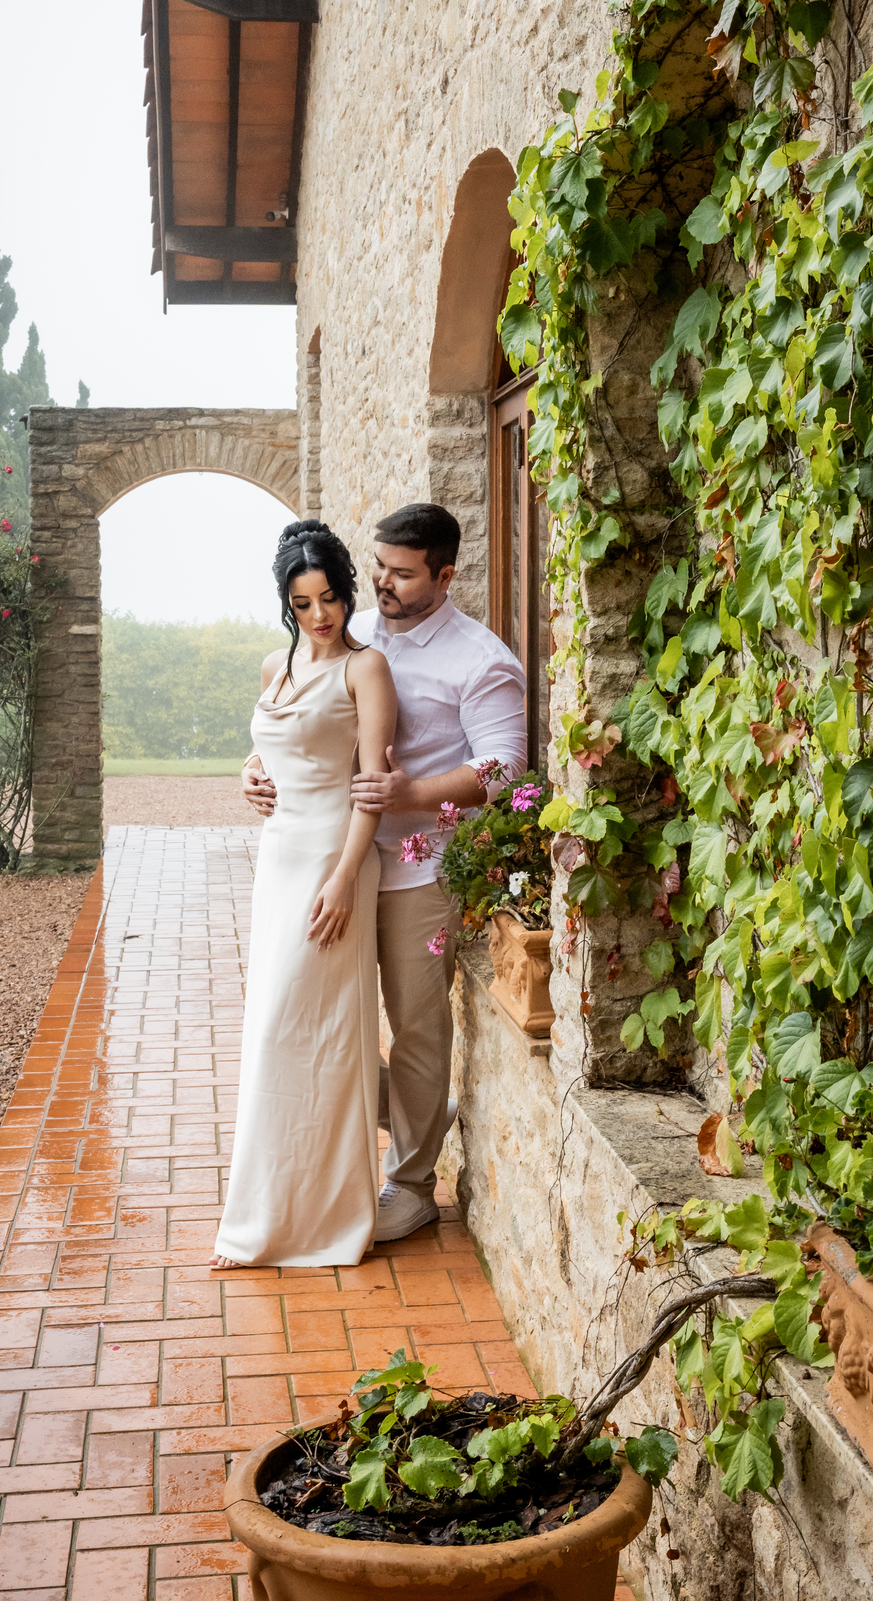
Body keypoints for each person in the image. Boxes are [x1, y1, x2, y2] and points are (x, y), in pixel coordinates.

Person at [242, 503, 527, 1242]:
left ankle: (412, 1183)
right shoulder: (351, 630)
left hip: (417, 870)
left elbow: (506, 766)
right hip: (335, 858)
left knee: (416, 1031)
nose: (382, 583)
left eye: (402, 573)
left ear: (445, 575)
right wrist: (258, 766)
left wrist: (414, 793)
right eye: (378, 568)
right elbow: (308, 717)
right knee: (307, 1014)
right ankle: (419, 1109)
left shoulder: (481, 658)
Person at [211, 520, 397, 1269]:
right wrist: (247, 771)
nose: (320, 615)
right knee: (273, 1032)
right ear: (286, 605)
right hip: (279, 859)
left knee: (320, 1034)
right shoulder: (275, 666)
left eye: (329, 598)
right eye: (303, 603)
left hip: (333, 859)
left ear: (346, 593)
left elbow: (372, 786)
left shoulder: (365, 669)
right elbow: (270, 747)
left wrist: (346, 879)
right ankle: (265, 1217)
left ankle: (325, 1220)